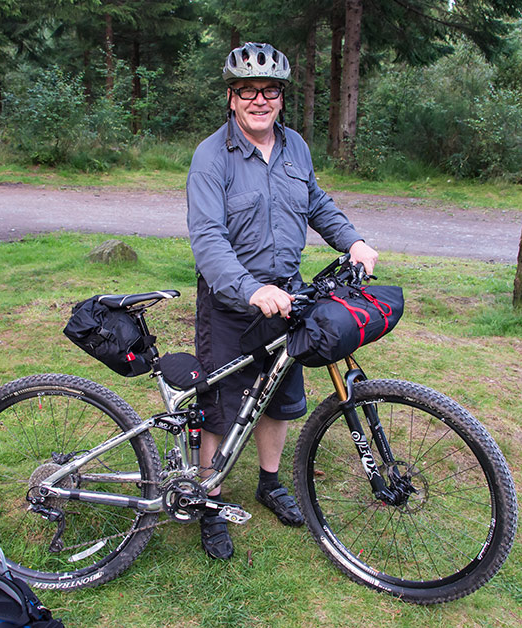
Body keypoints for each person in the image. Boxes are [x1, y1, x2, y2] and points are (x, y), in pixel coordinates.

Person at [186, 42, 378, 560]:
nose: (259, 100)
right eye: (247, 91)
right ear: (231, 99)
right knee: (222, 410)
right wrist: (251, 289)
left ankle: (269, 483)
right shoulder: (211, 157)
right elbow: (207, 239)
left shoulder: (295, 147)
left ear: (280, 97)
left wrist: (353, 240)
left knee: (280, 398)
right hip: (232, 304)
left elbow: (316, 202)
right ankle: (209, 501)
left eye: (269, 91)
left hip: (289, 294)